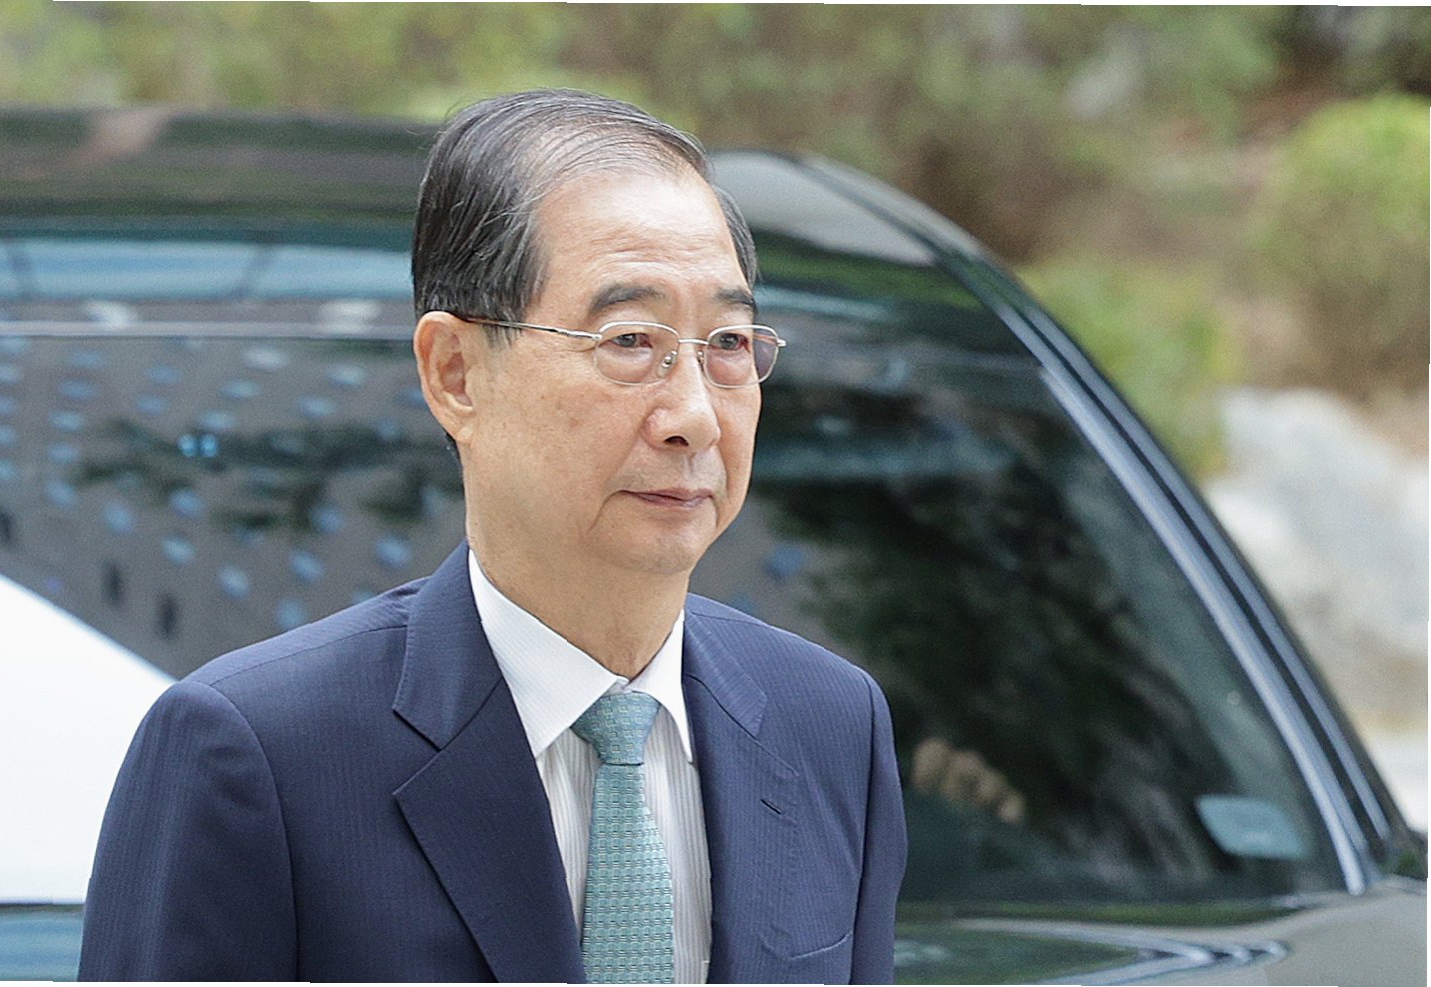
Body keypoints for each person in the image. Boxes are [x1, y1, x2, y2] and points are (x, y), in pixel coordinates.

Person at [78, 88, 906, 984]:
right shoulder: (256, 757)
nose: (694, 416)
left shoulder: (830, 726)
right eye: (631, 339)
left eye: (729, 343)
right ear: (456, 374)